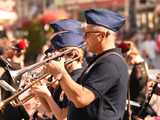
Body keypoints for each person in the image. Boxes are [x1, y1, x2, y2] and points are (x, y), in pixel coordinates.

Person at [33, 8, 129, 120]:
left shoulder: (110, 63)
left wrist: (61, 73)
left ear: (101, 36)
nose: (83, 38)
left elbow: (81, 99)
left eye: (87, 34)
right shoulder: (102, 60)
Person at [30, 19, 85, 120]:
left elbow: (63, 117)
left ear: (73, 54)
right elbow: (51, 110)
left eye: (58, 55)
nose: (54, 59)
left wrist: (47, 95)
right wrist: (41, 92)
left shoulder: (78, 78)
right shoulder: (65, 77)